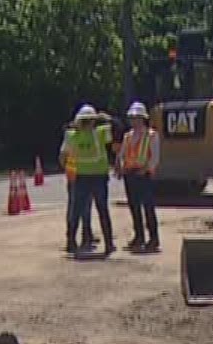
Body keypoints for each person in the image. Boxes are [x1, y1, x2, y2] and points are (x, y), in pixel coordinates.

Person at [61, 104, 115, 255]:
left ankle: (106, 242)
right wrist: (106, 117)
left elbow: (63, 156)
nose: (87, 124)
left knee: (88, 210)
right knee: (82, 210)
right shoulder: (81, 134)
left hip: (93, 176)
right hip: (86, 177)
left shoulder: (96, 133)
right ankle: (74, 241)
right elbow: (117, 126)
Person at [117, 101, 161, 251]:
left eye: (136, 117)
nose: (134, 120)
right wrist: (121, 167)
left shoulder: (152, 135)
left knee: (148, 207)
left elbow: (155, 156)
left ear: (143, 118)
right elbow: (123, 154)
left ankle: (153, 239)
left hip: (144, 175)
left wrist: (147, 168)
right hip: (130, 175)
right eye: (132, 118)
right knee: (134, 208)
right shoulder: (128, 136)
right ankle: (139, 237)